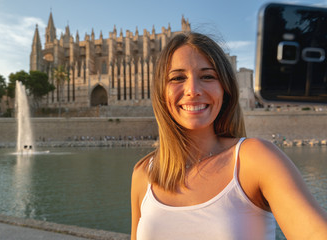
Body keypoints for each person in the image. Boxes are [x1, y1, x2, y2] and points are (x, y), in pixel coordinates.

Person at [130, 32, 327, 240]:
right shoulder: (144, 174)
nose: (193, 90)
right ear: (161, 91)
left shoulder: (255, 159)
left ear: (225, 89)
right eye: (178, 78)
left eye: (207, 76)